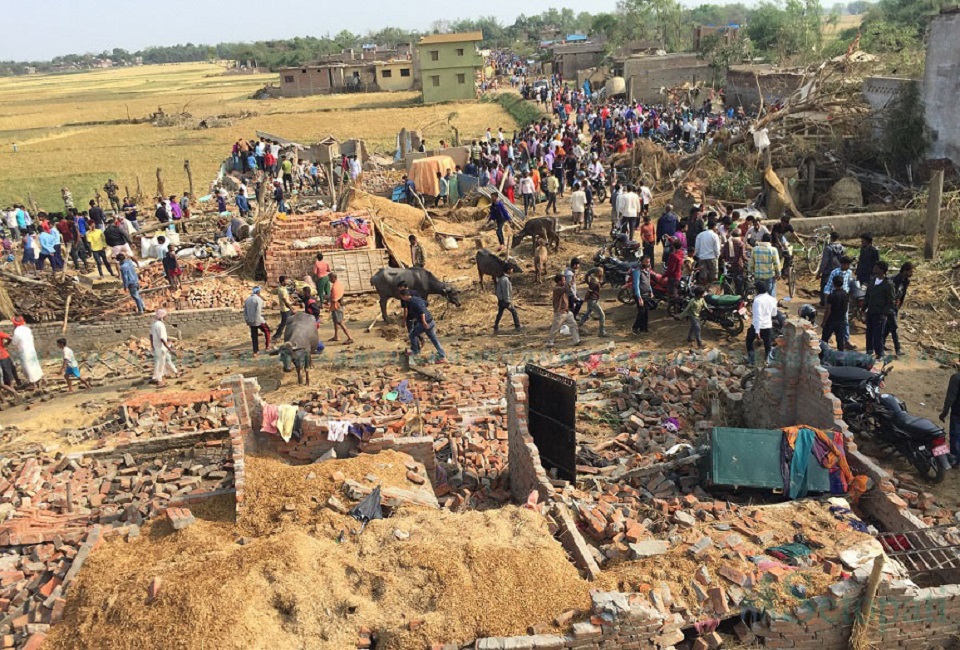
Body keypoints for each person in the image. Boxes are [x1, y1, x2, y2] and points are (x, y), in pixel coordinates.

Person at [400, 289, 446, 362]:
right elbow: (426, 304)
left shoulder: (412, 302)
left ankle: (415, 351)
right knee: (434, 340)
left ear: (405, 296)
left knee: (412, 335)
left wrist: (424, 322)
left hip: (425, 323)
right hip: (431, 321)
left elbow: (422, 312)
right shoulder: (417, 299)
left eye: (402, 297)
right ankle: (443, 356)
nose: (402, 299)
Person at [864, 260, 896, 360]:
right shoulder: (873, 280)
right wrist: (864, 308)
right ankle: (869, 351)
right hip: (871, 311)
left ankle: (880, 353)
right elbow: (868, 295)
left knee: (878, 335)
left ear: (882, 270)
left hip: (880, 313)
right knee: (869, 332)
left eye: (876, 267)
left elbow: (891, 301)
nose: (874, 269)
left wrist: (885, 313)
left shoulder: (888, 284)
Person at [883, 261, 913, 358]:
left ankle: (881, 344)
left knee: (888, 326)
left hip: (896, 306)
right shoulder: (894, 279)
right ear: (905, 271)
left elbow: (903, 293)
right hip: (889, 306)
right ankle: (897, 349)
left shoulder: (906, 281)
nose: (912, 273)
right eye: (910, 271)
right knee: (894, 327)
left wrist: (900, 304)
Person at [747, 281, 778, 364]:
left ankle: (751, 360)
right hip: (768, 325)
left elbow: (757, 317)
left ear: (757, 290)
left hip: (757, 326)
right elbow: (774, 313)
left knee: (749, 341)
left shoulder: (757, 300)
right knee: (768, 345)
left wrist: (757, 331)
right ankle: (768, 361)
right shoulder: (772, 299)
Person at [546, 274, 580, 348]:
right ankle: (550, 342)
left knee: (573, 325)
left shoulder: (561, 287)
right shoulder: (557, 289)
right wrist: (571, 282)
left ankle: (576, 340)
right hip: (560, 312)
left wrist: (572, 281)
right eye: (563, 280)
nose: (564, 281)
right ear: (558, 282)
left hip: (566, 312)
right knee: (555, 328)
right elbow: (566, 289)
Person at [10, 317, 43, 390]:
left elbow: (14, 343)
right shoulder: (27, 329)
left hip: (24, 351)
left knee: (27, 367)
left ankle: (32, 383)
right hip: (31, 350)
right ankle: (38, 379)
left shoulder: (17, 332)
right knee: (34, 365)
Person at [150, 309, 179, 387]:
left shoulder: (154, 324)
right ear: (162, 316)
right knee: (161, 364)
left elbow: (151, 336)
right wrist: (169, 349)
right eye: (166, 315)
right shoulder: (160, 325)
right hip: (161, 348)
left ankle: (175, 372)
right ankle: (159, 381)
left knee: (165, 360)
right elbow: (162, 338)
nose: (167, 316)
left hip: (157, 347)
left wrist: (152, 346)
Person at [939, 361, 960, 466]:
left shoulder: (956, 378)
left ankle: (955, 460)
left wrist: (944, 413)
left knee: (956, 436)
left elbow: (950, 398)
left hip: (957, 413)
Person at [821, 275, 849, 351]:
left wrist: (824, 322)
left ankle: (823, 356)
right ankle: (841, 357)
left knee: (824, 340)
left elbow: (828, 310)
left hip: (831, 320)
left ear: (833, 284)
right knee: (840, 340)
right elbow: (846, 307)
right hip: (841, 320)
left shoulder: (832, 296)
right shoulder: (845, 294)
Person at [817, 231, 845, 305]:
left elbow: (824, 262)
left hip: (828, 272)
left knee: (825, 287)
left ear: (831, 238)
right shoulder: (842, 248)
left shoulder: (828, 248)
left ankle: (824, 303)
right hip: (838, 271)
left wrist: (819, 272)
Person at [578, 267, 607, 337]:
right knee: (602, 315)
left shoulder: (595, 279)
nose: (603, 273)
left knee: (588, 312)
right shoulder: (594, 281)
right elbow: (589, 291)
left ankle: (579, 324)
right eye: (602, 272)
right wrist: (585, 299)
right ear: (599, 273)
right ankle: (602, 332)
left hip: (593, 299)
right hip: (592, 300)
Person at [493, 265, 522, 333]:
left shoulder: (502, 278)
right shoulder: (505, 280)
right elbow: (506, 291)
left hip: (501, 300)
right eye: (511, 269)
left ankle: (495, 326)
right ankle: (517, 327)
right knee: (514, 312)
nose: (512, 270)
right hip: (505, 300)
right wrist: (508, 301)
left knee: (500, 313)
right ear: (508, 270)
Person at [327, 273, 354, 344]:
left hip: (336, 306)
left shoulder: (334, 287)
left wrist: (327, 298)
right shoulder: (339, 284)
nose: (329, 280)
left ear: (333, 278)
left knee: (340, 322)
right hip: (339, 305)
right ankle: (336, 336)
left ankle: (350, 337)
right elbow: (341, 294)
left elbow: (334, 299)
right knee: (335, 321)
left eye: (329, 278)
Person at [720, 228, 747, 296]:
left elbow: (722, 255)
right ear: (740, 236)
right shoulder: (740, 243)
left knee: (727, 282)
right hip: (738, 266)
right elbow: (743, 256)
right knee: (739, 283)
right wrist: (750, 260)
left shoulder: (727, 243)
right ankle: (739, 297)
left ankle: (727, 296)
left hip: (728, 266)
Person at [693, 220, 722, 286]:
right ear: (714, 227)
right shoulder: (715, 235)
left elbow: (697, 247)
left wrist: (698, 255)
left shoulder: (700, 235)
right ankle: (710, 289)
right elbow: (717, 248)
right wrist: (717, 256)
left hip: (702, 257)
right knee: (713, 275)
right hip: (712, 257)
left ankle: (703, 289)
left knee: (703, 275)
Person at [244, 287, 271, 355]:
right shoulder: (258, 299)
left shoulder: (247, 300)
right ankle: (267, 347)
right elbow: (258, 311)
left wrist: (247, 320)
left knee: (254, 335)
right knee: (267, 331)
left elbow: (245, 311)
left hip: (250, 320)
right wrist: (258, 321)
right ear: (258, 292)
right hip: (258, 320)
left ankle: (255, 351)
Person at [631, 257, 653, 335]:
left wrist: (651, 291)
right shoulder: (637, 272)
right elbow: (636, 285)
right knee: (641, 312)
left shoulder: (647, 271)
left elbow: (648, 282)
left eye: (648, 262)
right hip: (640, 295)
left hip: (646, 294)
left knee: (646, 312)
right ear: (641, 262)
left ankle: (644, 328)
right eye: (646, 262)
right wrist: (639, 297)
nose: (647, 264)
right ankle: (635, 327)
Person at [0, 329, 19, 399]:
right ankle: (12, 392)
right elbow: (10, 337)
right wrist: (7, 344)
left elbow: (10, 337)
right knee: (8, 375)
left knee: (7, 376)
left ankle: (12, 392)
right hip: (3, 356)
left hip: (3, 357)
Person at [275, 275, 293, 340]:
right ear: (282, 282)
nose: (287, 281)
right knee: (283, 323)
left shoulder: (284, 288)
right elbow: (285, 301)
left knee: (288, 322)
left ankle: (278, 335)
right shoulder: (281, 290)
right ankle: (277, 336)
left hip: (287, 308)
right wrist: (292, 309)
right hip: (285, 309)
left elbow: (287, 297)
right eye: (286, 280)